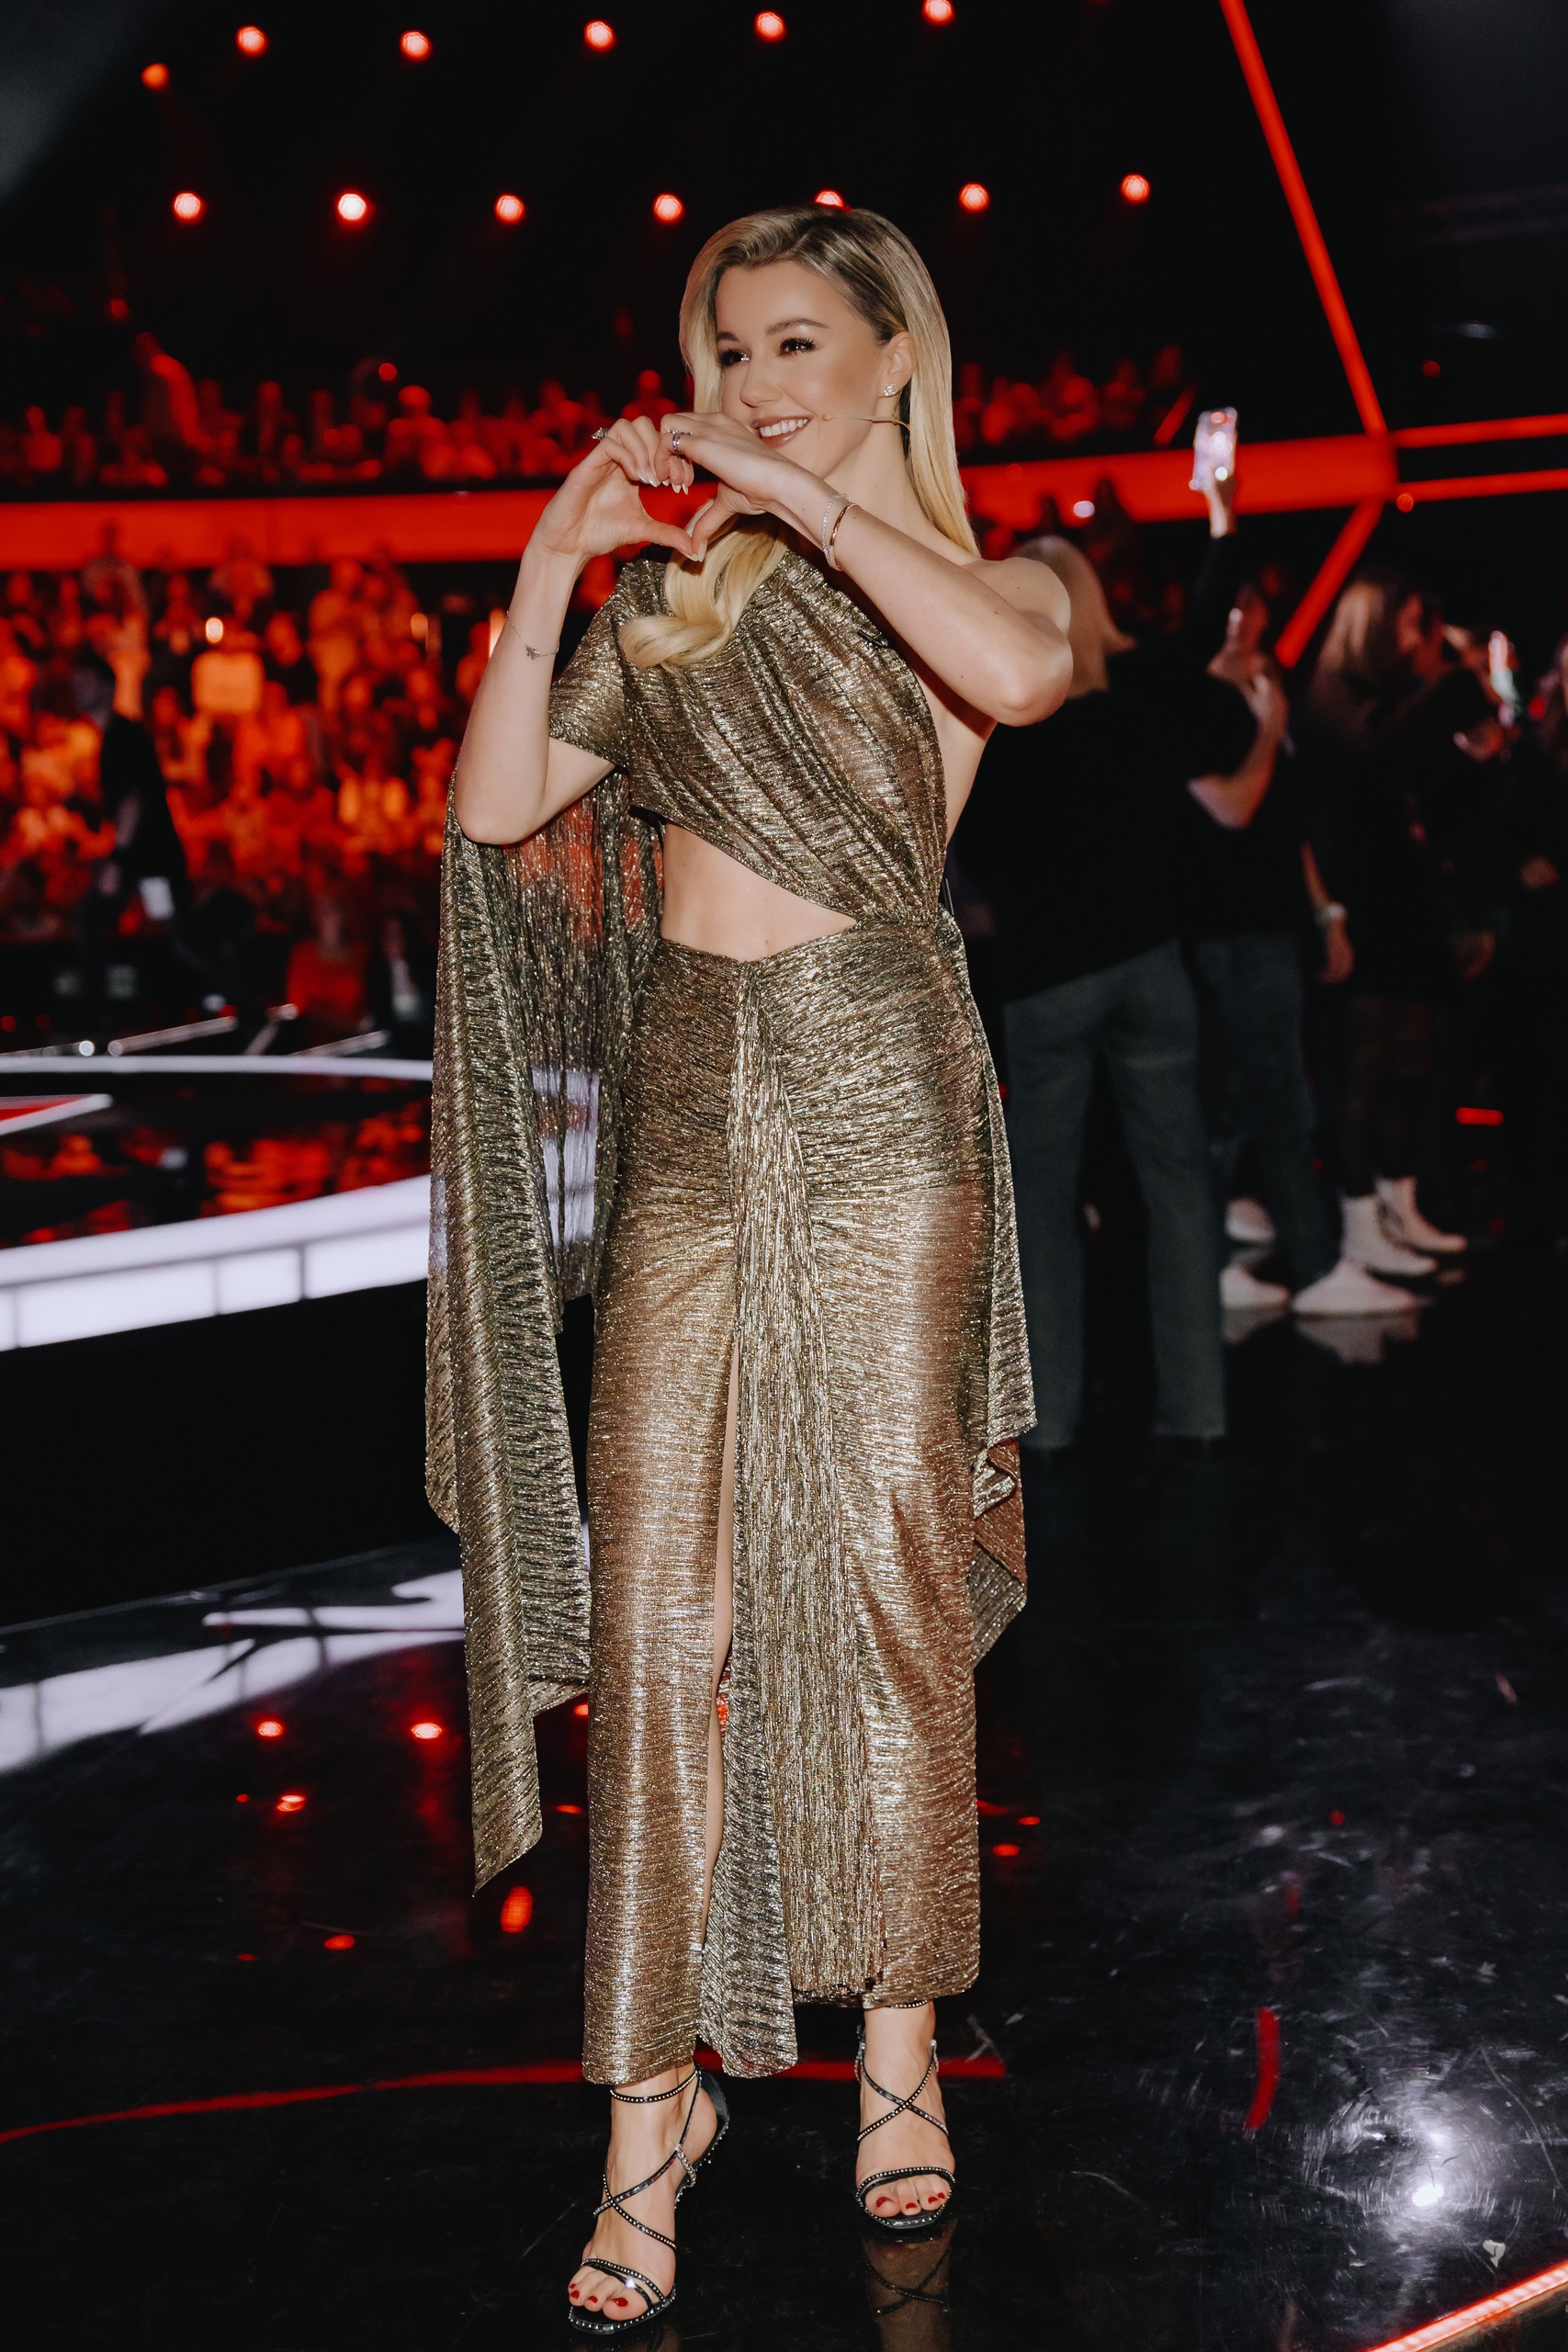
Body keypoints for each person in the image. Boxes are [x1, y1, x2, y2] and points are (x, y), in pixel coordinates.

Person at [435, 203, 1070, 2333]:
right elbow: (497, 804)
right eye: (725, 350)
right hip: (690, 1107)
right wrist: (553, 560)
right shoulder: (675, 610)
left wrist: (800, 498)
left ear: (895, 355)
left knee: (877, 1583)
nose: (751, 382)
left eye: (796, 341)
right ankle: (651, 2108)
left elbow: (1014, 678)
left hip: (881, 1092)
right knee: (660, 1611)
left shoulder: (989, 582)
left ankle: (894, 2045)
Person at [955, 454, 1252, 1456]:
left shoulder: (993, 729)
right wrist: (1221, 516)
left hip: (1047, 982)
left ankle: (1050, 1427)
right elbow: (1206, 628)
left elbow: (974, 862)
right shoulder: (1141, 689)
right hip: (1152, 966)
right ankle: (1199, 1411)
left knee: (1042, 1203)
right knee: (1178, 1189)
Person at [1183, 583, 1419, 1317]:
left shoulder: (1266, 691)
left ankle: (1230, 1261)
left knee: (1253, 1101)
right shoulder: (1195, 703)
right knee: (1268, 1103)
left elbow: (1288, 823)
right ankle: (1307, 1266)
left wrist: (1325, 912)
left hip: (1272, 924)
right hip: (1228, 930)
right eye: (1229, 609)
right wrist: (1266, 729)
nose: (1241, 622)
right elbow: (1231, 809)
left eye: (1249, 609)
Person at [1297, 573, 1474, 1272]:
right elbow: (1373, 753)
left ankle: (1400, 1205)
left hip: (1404, 899)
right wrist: (1452, 685)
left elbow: (1428, 793)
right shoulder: (1332, 692)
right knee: (1362, 1066)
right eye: (1406, 622)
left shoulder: (1392, 699)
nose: (1414, 638)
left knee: (1410, 1057)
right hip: (1359, 897)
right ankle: (1358, 1219)